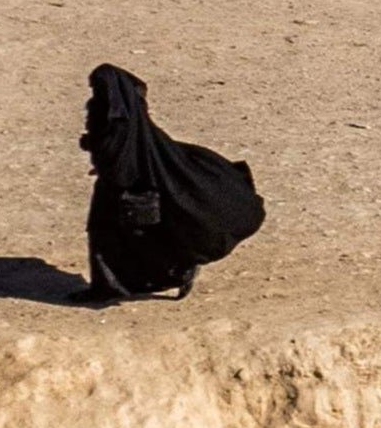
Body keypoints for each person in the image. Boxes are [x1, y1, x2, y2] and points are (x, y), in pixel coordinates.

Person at [82, 64, 265, 304]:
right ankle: (167, 273)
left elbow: (117, 152)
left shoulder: (114, 117)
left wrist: (109, 171)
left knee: (126, 236)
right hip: (136, 184)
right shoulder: (127, 112)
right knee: (148, 236)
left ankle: (124, 284)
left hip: (131, 188)